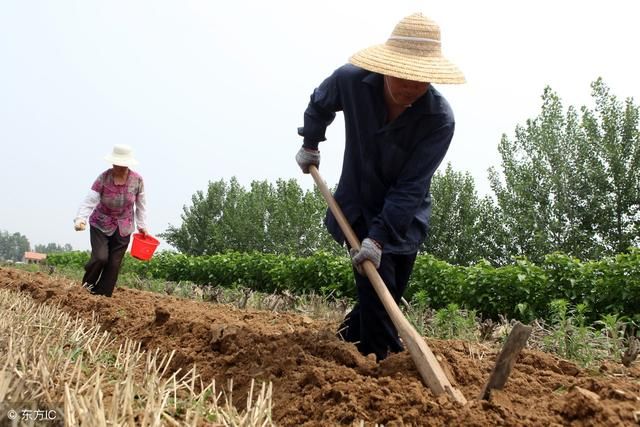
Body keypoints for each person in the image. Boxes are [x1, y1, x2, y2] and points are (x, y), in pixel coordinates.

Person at [295, 13, 465, 361]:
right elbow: (320, 102)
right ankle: (382, 361)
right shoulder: (352, 81)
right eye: (404, 75)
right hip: (356, 205)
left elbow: (411, 186)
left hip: (403, 217)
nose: (411, 87)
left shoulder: (438, 120)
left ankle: (347, 339)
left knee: (387, 293)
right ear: (387, 65)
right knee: (378, 293)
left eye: (421, 80)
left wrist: (379, 238)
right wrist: (311, 142)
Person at [74, 144, 148, 297]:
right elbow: (90, 200)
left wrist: (142, 226)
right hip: (101, 223)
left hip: (124, 227)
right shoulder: (103, 178)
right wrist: (81, 218)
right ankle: (86, 289)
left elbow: (141, 204)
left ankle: (102, 296)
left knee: (114, 264)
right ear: (113, 163)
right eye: (117, 164)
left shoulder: (137, 181)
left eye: (123, 164)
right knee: (100, 258)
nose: (119, 167)